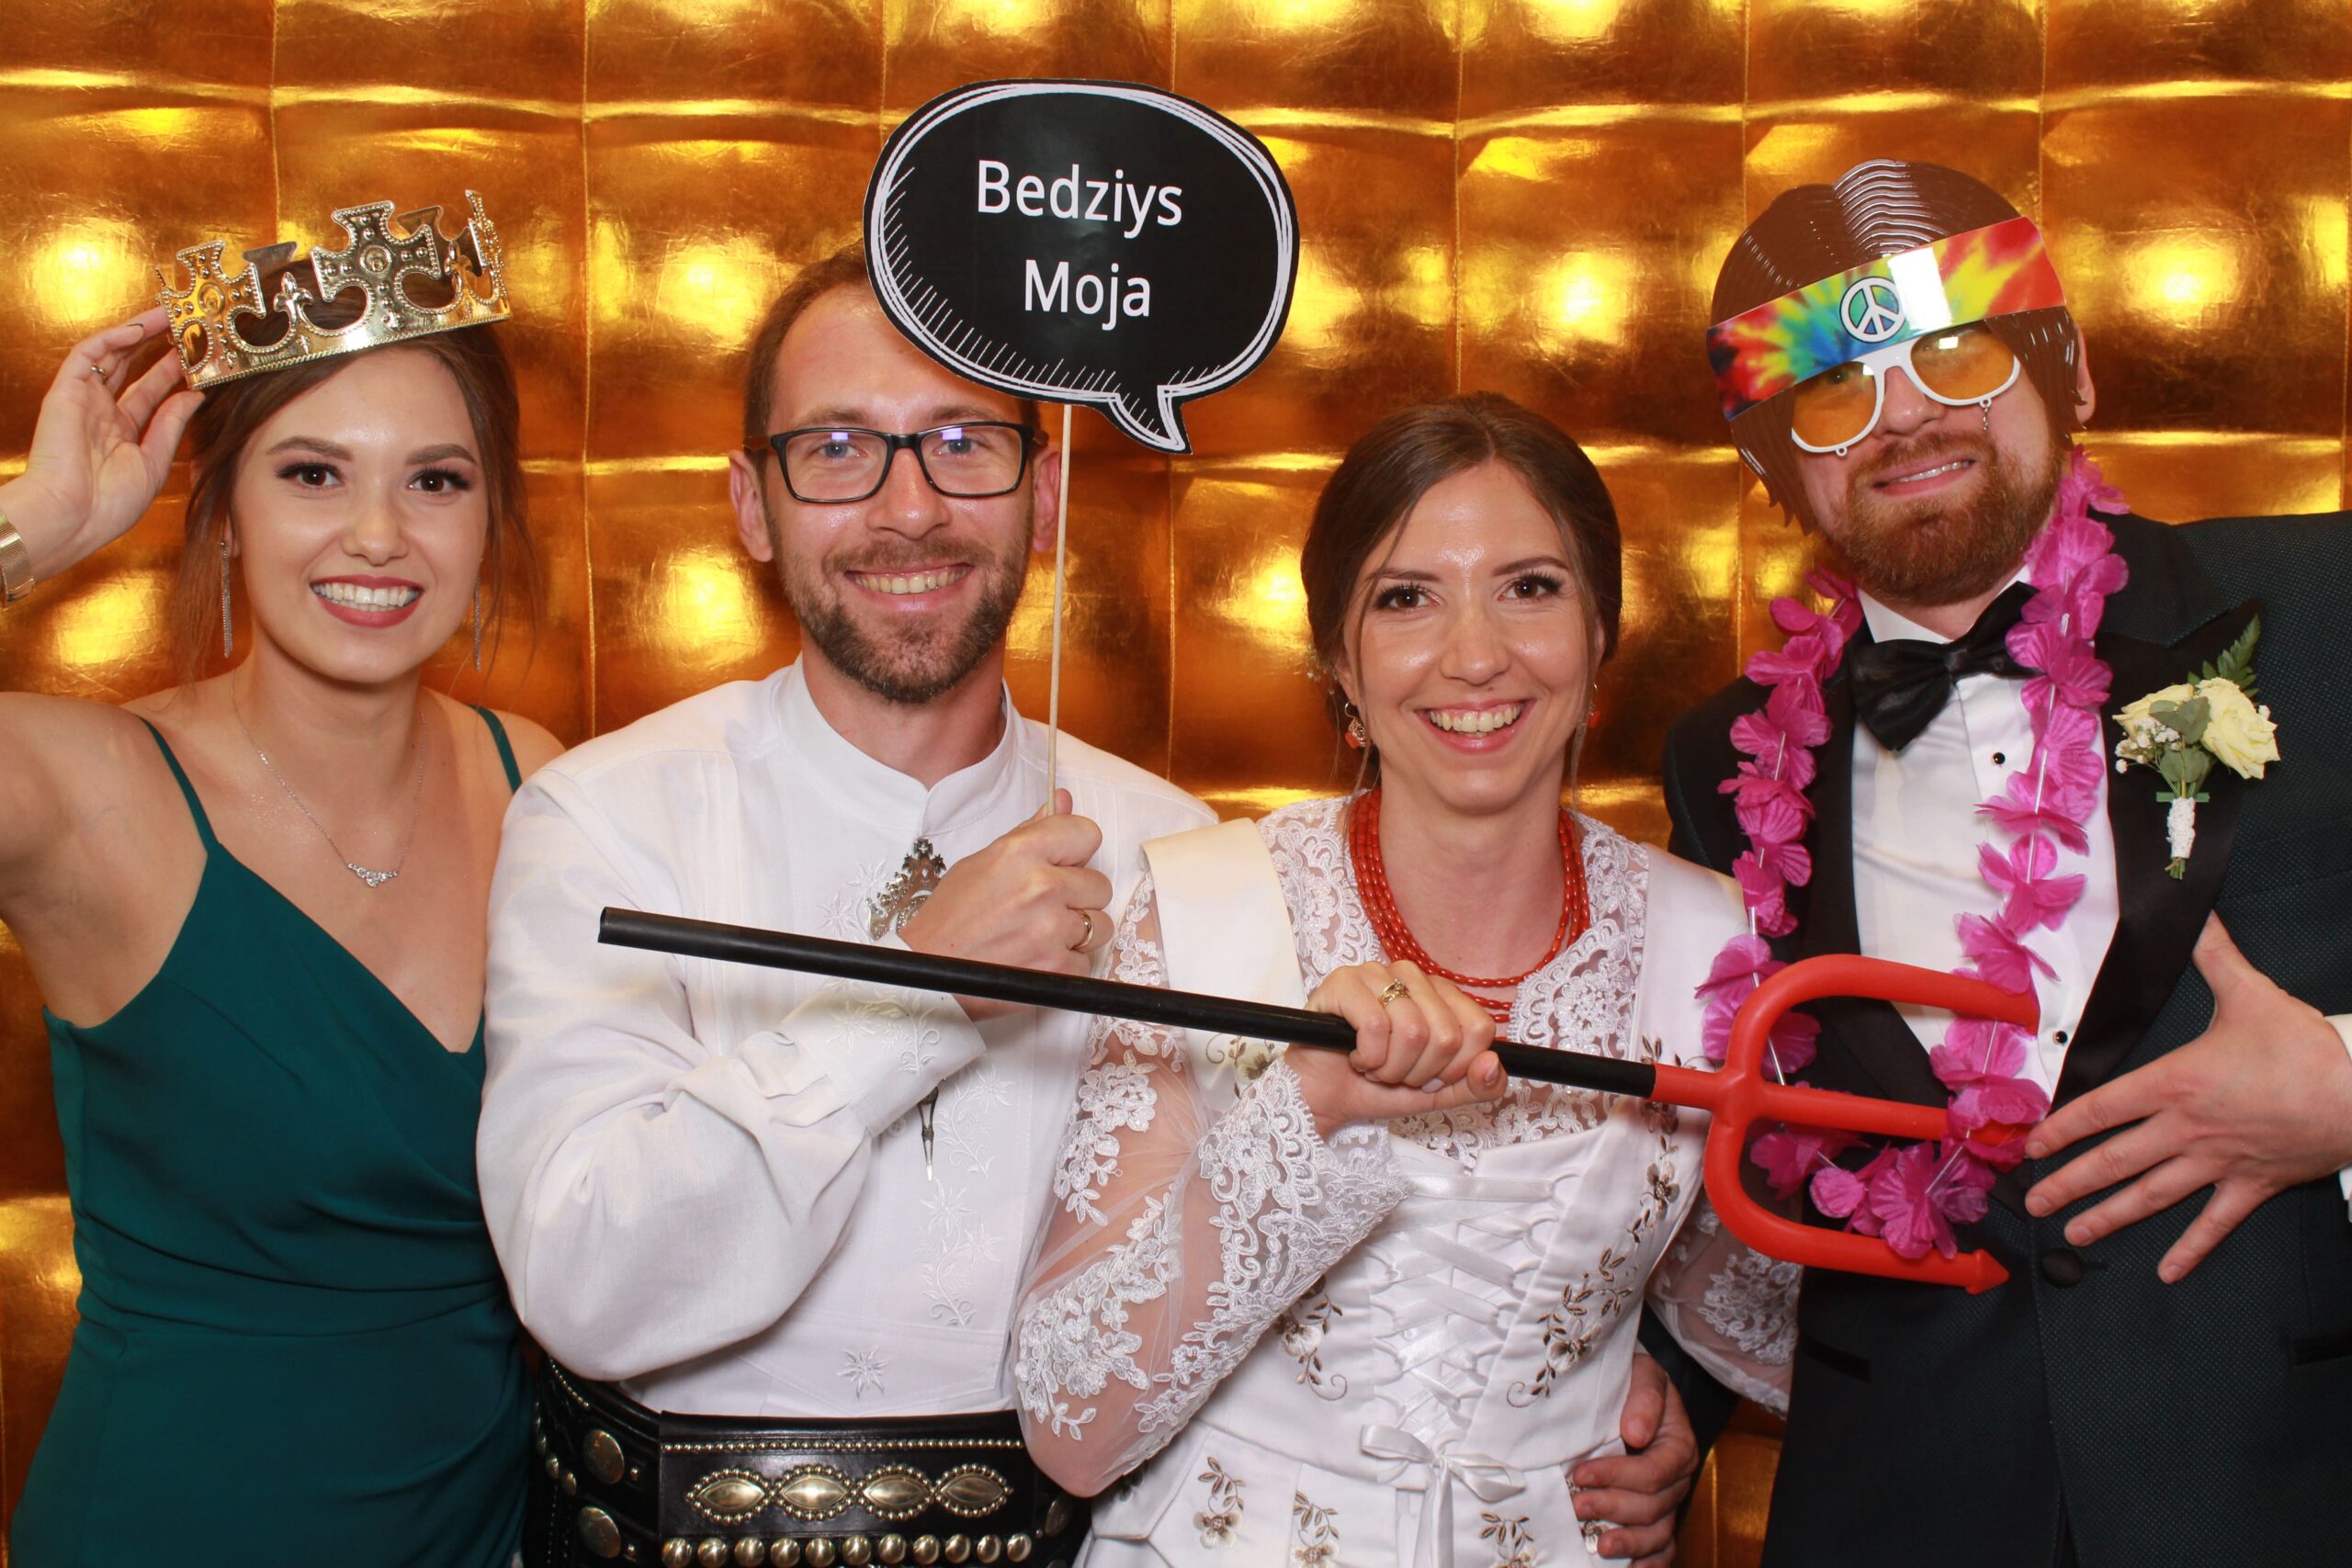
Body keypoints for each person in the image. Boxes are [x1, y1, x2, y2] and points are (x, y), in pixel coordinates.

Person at [474, 243, 1216, 1568]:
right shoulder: (599, 817)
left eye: (963, 444)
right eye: (836, 448)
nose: (909, 508)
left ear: (1045, 493)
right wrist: (915, 992)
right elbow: (582, 1280)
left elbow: (1218, 1296)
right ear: (752, 506)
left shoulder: (1181, 850)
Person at [1663, 159, 2352, 1568]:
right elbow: (1716, 1116)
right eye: (1833, 390)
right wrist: (1660, 1399)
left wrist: (2348, 1083)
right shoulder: (1721, 760)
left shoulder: (2326, 608)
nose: (1905, 413)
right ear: (1772, 468)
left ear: (2071, 371)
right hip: (1900, 1509)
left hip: (2290, 1487)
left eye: (1958, 350)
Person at [1012, 393, 1796, 1568]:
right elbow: (1071, 1424)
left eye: (1529, 587)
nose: (1474, 655)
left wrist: (1661, 1407)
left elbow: (1762, 1322)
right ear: (1339, 655)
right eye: (1405, 598)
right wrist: (1302, 1112)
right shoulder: (1201, 906)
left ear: (1600, 633)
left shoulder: (1716, 941)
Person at [0, 197, 560, 1565]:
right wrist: (36, 526)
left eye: (437, 481)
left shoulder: (536, 779)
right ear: (226, 515)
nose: (378, 534)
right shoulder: (85, 792)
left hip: (487, 1528)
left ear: (490, 515)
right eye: (313, 473)